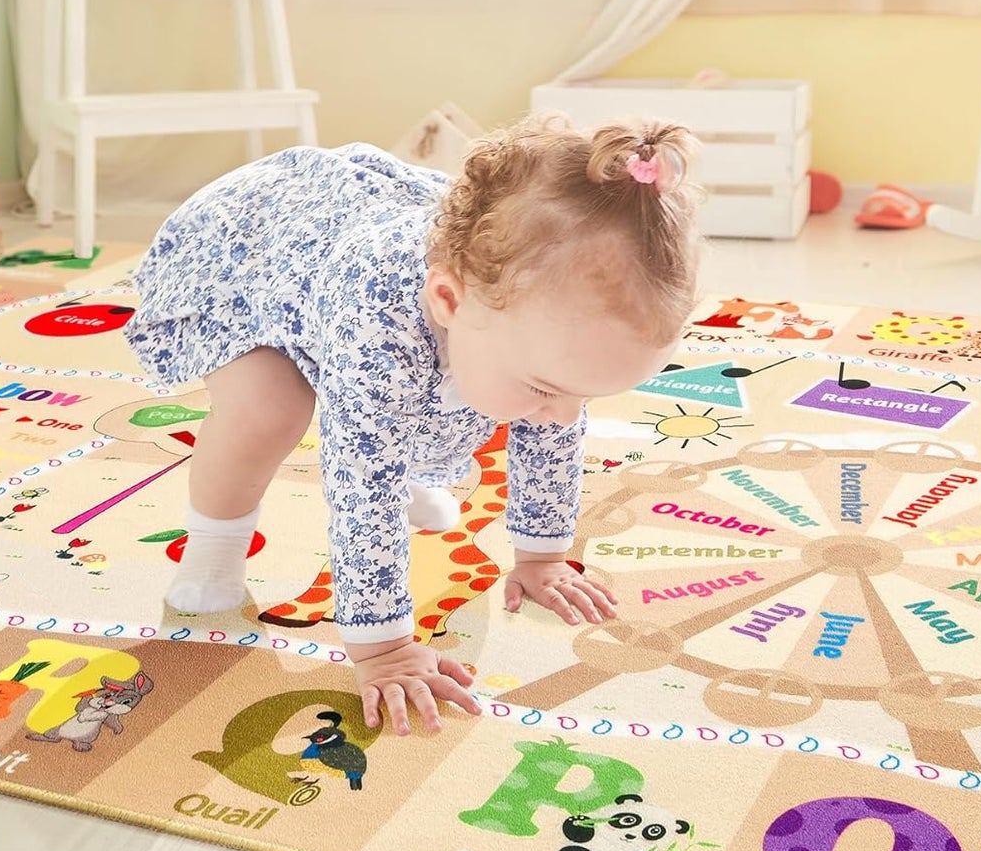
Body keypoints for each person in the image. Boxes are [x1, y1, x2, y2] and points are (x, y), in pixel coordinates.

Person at [124, 116, 701, 735]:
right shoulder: (379, 326)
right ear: (450, 301)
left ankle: (430, 460)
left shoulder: (533, 333)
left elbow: (551, 426)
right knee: (269, 408)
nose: (563, 415)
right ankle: (212, 551)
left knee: (493, 391)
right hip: (252, 253)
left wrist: (542, 557)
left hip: (393, 276)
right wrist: (384, 648)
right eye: (551, 390)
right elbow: (360, 483)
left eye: (584, 397)